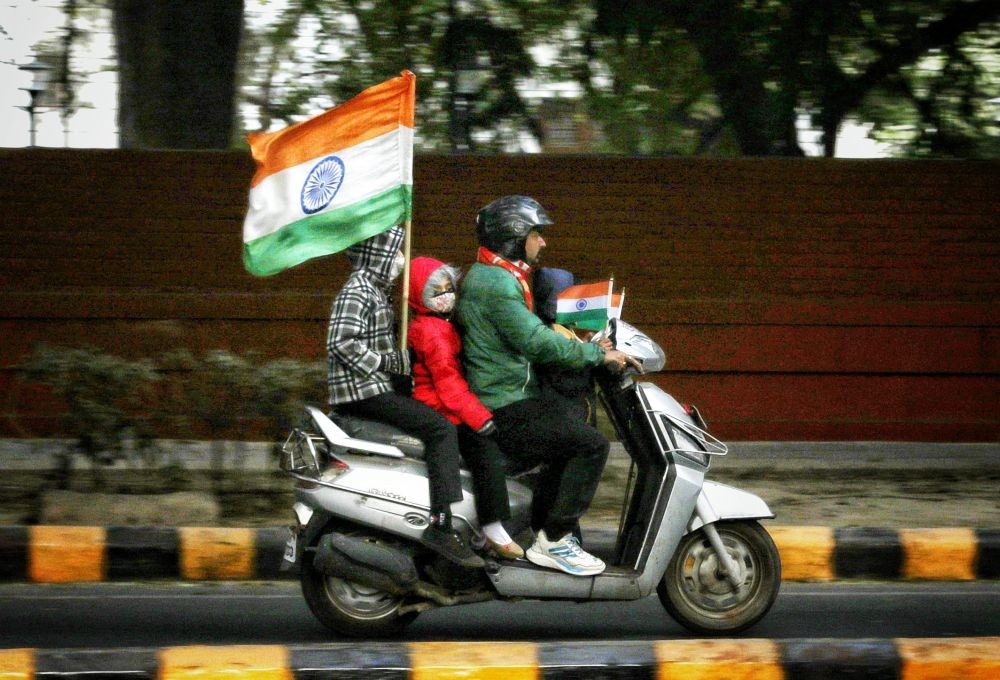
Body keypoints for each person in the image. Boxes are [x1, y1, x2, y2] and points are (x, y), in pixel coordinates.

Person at [456, 195, 640, 576]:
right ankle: (555, 539)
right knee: (590, 445)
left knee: (568, 433)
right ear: (514, 235)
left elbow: (537, 335)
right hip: (502, 403)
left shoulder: (497, 276)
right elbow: (536, 342)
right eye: (536, 233)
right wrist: (594, 356)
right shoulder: (496, 285)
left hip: (509, 395)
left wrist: (585, 345)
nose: (543, 242)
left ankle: (545, 531)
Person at [326, 226, 484, 569]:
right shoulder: (358, 290)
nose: (400, 259)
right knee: (440, 429)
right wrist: (385, 362)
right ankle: (441, 525)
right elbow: (340, 343)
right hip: (362, 392)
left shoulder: (376, 290)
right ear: (378, 253)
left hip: (374, 387)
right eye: (395, 251)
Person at [406, 255, 524, 559]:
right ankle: (493, 530)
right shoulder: (433, 333)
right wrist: (480, 418)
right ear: (421, 296)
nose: (446, 296)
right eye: (437, 292)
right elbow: (448, 385)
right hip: (441, 407)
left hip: (445, 402)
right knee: (486, 453)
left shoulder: (438, 324)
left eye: (449, 288)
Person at [533, 267, 603, 427]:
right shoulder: (551, 332)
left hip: (571, 411)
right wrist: (595, 351)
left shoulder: (549, 328)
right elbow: (565, 372)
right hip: (565, 413)